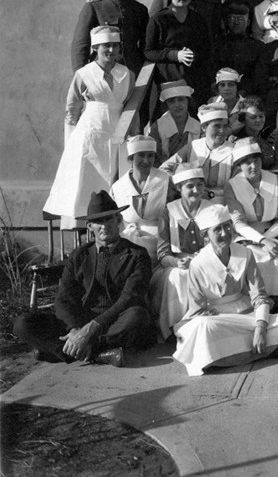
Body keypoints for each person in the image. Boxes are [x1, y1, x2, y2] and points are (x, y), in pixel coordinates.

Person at [15, 191, 153, 367]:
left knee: (139, 316)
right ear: (89, 227)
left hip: (115, 320)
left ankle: (61, 351)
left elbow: (129, 298)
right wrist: (75, 331)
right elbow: (63, 299)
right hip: (81, 321)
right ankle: (98, 354)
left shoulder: (137, 255)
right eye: (98, 221)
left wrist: (91, 329)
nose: (104, 226)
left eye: (109, 219)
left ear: (118, 220)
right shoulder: (79, 255)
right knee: (22, 324)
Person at [172, 205, 278, 376]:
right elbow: (198, 311)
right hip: (217, 319)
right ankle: (267, 352)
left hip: (247, 315)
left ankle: (222, 358)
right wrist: (220, 319)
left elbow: (259, 295)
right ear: (205, 235)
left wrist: (260, 328)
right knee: (205, 328)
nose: (225, 233)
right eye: (217, 229)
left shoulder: (245, 253)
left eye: (227, 226)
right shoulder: (197, 264)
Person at [44, 26, 133, 228]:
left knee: (115, 181)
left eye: (115, 46)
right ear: (95, 48)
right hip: (90, 134)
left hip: (118, 133)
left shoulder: (127, 74)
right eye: (105, 46)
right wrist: (71, 144)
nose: (111, 51)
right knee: (85, 182)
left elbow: (130, 106)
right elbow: (72, 109)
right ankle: (82, 233)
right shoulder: (84, 74)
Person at [151, 164, 213, 339]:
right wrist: (177, 262)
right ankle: (177, 329)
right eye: (190, 186)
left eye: (199, 185)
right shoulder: (169, 212)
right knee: (179, 276)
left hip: (207, 261)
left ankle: (204, 326)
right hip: (177, 263)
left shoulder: (211, 209)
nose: (196, 190)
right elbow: (162, 253)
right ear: (179, 188)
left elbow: (221, 243)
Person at [224, 140, 278, 296]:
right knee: (255, 258)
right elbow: (238, 223)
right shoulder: (231, 186)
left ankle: (276, 300)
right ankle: (258, 302)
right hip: (245, 237)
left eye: (257, 160)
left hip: (273, 234)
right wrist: (261, 241)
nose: (254, 166)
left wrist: (268, 239)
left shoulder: (277, 180)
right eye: (247, 163)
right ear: (239, 165)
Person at [71, 0, 149, 75]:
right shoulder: (94, 8)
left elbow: (146, 48)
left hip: (133, 74)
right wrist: (82, 79)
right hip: (102, 74)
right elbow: (80, 47)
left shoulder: (140, 10)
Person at [145, 0, 214, 104]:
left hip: (195, 82)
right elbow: (148, 52)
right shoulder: (158, 19)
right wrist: (175, 55)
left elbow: (207, 51)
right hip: (168, 80)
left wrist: (194, 55)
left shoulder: (198, 20)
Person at [110, 135, 171, 260]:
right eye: (141, 155)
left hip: (161, 242)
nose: (146, 161)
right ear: (131, 157)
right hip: (129, 241)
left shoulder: (166, 181)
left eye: (150, 155)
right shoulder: (118, 188)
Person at [160, 104, 235, 200]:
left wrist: (210, 194)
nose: (222, 131)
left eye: (225, 126)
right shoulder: (193, 147)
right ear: (204, 127)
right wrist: (183, 184)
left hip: (223, 205)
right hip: (191, 203)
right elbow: (164, 169)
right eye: (217, 126)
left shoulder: (234, 151)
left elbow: (239, 186)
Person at [145, 80, 201, 166]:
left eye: (181, 100)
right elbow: (152, 156)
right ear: (166, 104)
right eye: (171, 101)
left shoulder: (198, 127)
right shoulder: (157, 127)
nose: (177, 105)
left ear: (188, 101)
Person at [215, 0, 268, 82]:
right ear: (226, 21)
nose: (236, 22)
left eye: (240, 19)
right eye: (232, 18)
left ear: (248, 22)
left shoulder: (258, 47)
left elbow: (259, 76)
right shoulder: (217, 45)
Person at [231, 95, 278, 171]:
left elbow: (277, 162)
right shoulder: (236, 141)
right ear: (243, 119)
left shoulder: (270, 136)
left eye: (261, 116)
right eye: (253, 117)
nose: (258, 120)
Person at [208, 67, 245, 136]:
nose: (226, 88)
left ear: (237, 87)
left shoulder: (246, 106)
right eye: (222, 85)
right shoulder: (212, 102)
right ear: (217, 87)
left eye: (231, 84)